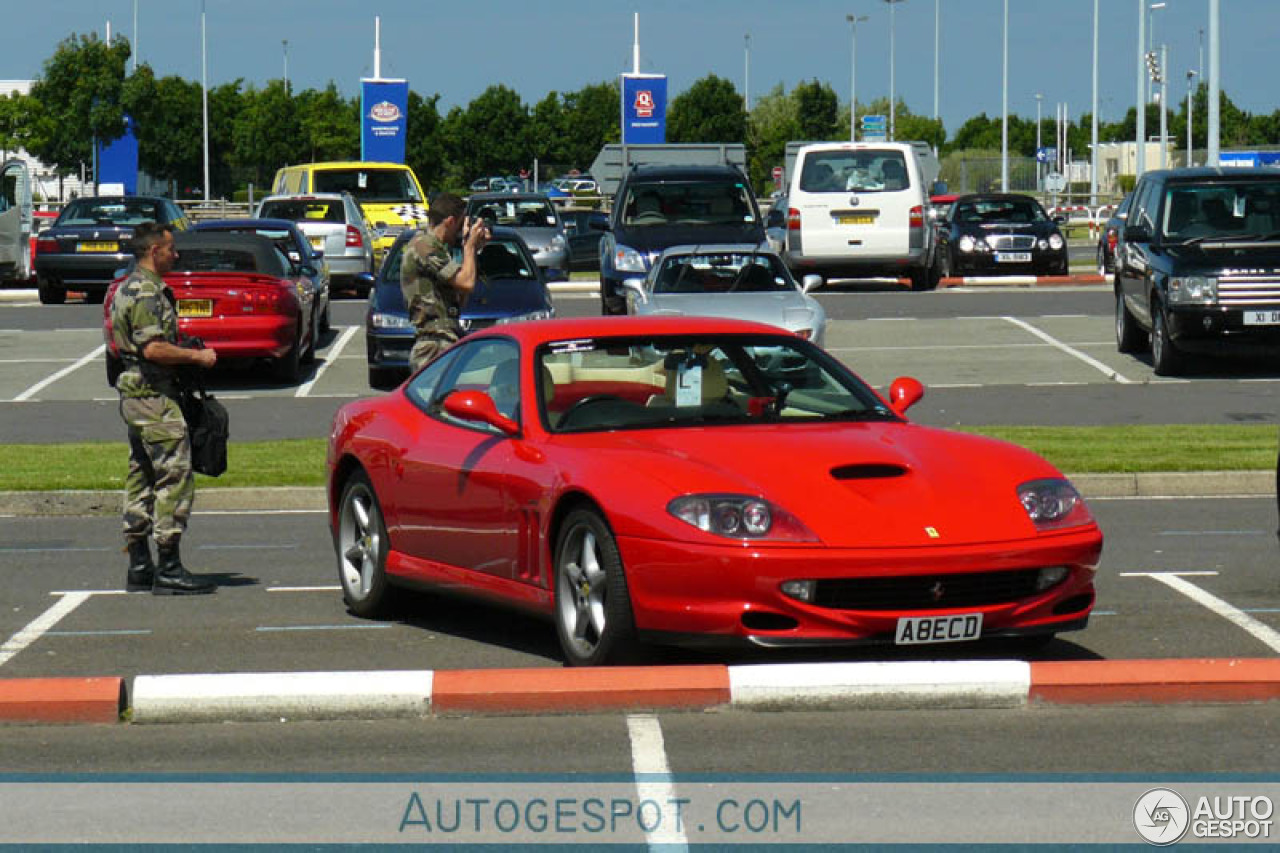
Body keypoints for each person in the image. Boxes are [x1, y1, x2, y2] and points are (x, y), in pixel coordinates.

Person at [109, 221, 218, 595]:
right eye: (171, 249)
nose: (176, 254)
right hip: (153, 395)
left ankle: (140, 565)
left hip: (139, 395)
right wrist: (195, 356)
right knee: (174, 475)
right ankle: (168, 565)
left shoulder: (128, 287)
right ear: (154, 251)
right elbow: (152, 348)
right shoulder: (145, 292)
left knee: (141, 474)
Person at [400, 192, 489, 372]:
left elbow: (461, 298)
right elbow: (467, 283)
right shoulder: (423, 245)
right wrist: (469, 246)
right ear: (449, 222)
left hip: (447, 339)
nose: (460, 231)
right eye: (460, 224)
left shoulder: (440, 251)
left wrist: (473, 249)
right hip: (433, 345)